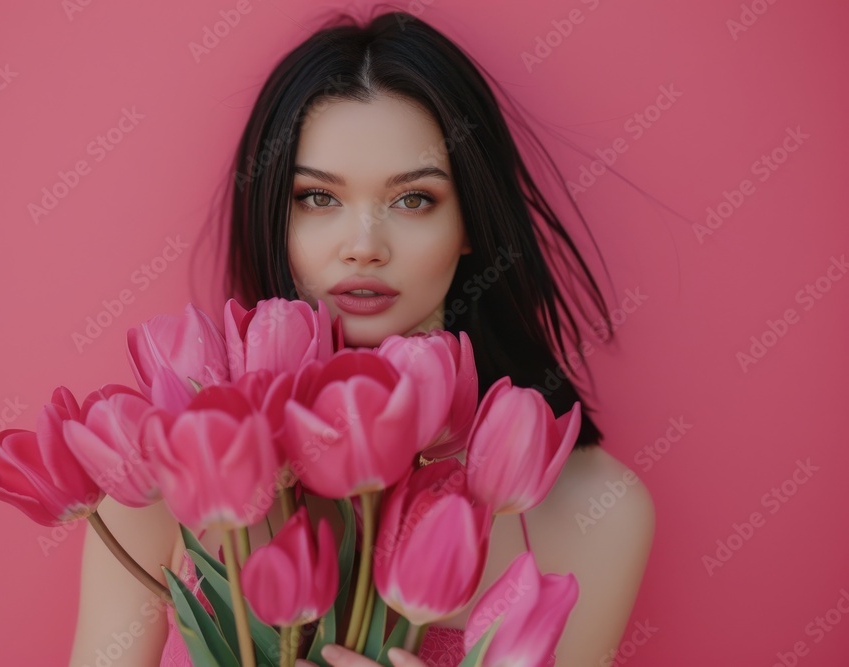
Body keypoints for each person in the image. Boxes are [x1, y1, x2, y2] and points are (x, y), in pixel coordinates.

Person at [66, 9, 655, 667]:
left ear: (471, 224)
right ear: (274, 218)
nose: (365, 246)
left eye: (414, 200)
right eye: (318, 198)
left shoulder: (594, 508)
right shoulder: (166, 470)